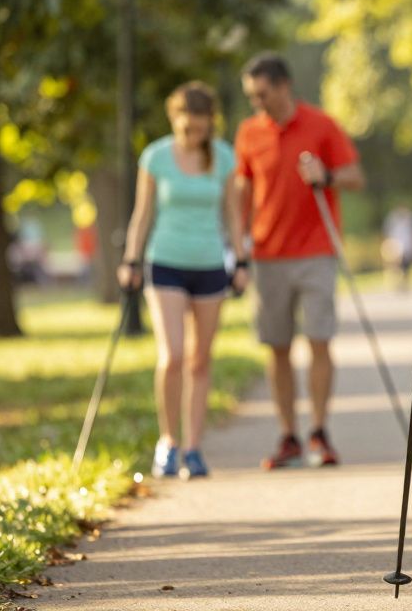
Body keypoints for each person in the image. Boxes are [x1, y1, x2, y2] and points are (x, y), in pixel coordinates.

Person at [234, 53, 365, 469]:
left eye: (262, 93)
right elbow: (242, 187)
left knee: (319, 340)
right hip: (267, 253)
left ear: (283, 85)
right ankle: (288, 434)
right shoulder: (249, 132)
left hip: (316, 251)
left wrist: (324, 174)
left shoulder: (321, 125)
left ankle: (319, 431)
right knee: (277, 347)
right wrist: (239, 240)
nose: (257, 102)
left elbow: (354, 177)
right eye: (251, 95)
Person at [118, 81, 246, 480]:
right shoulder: (155, 156)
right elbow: (142, 213)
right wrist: (131, 259)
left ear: (211, 124)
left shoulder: (223, 158)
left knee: (200, 360)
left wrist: (240, 261)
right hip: (166, 261)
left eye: (202, 129)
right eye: (188, 128)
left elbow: (233, 215)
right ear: (175, 120)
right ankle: (168, 442)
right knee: (172, 355)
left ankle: (194, 447)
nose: (195, 136)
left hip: (209, 263)